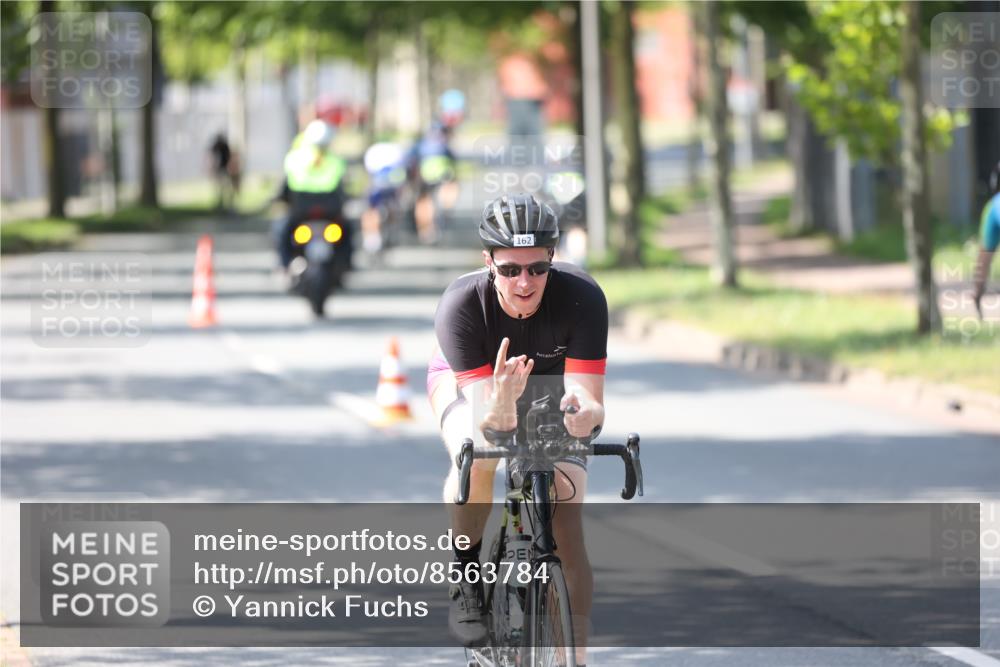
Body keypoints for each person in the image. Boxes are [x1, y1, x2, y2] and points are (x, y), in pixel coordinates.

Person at [429, 193, 607, 665]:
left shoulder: (583, 296)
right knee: (477, 457)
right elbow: (490, 421)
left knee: (566, 510)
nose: (524, 281)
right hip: (474, 382)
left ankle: (577, 655)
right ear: (488, 261)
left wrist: (583, 414)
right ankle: (467, 578)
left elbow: (590, 399)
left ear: (553, 258)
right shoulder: (462, 304)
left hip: (549, 388)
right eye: (510, 269)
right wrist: (503, 402)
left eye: (536, 268)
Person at [275, 120, 348, 273]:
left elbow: (286, 188)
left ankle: (285, 265)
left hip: (307, 213)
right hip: (317, 213)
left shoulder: (295, 159)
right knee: (282, 230)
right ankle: (286, 264)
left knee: (281, 230)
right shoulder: (334, 161)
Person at [408, 120, 457, 244]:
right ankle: (443, 214)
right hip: (442, 176)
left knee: (424, 202)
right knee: (437, 198)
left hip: (424, 178)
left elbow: (411, 162)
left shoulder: (419, 144)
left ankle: (426, 230)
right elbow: (453, 162)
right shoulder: (443, 145)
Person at [973, 161, 1000, 319]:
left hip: (992, 213)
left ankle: (977, 292)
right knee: (984, 258)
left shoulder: (993, 204)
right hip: (993, 216)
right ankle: (977, 292)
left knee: (984, 258)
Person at [207, 132, 234, 211]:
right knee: (219, 187)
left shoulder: (225, 146)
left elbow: (229, 157)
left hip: (224, 169)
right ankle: (220, 203)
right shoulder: (216, 146)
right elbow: (211, 156)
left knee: (226, 187)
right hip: (219, 169)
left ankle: (228, 204)